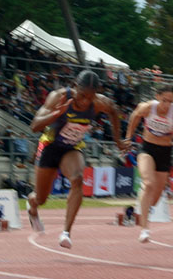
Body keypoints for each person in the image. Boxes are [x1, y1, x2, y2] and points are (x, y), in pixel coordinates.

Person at [27, 69, 127, 249]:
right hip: (50, 146)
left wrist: (118, 140)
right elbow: (34, 125)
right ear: (74, 87)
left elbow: (114, 111)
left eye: (90, 97)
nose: (85, 101)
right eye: (82, 96)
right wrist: (56, 114)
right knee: (41, 198)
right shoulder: (58, 97)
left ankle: (66, 232)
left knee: (78, 179)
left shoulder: (99, 103)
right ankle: (32, 205)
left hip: (71, 148)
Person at [123, 85, 173, 243]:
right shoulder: (147, 107)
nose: (166, 105)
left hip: (165, 152)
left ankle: (139, 210)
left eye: (170, 102)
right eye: (164, 100)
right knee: (148, 183)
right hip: (147, 149)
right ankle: (145, 229)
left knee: (156, 198)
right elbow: (135, 116)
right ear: (157, 97)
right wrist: (129, 137)